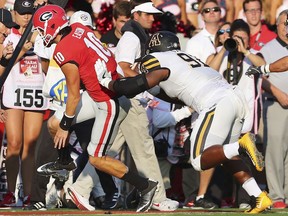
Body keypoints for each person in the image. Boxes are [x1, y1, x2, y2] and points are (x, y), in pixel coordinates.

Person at [95, 30, 273, 214]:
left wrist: (108, 82)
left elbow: (134, 86)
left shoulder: (156, 58)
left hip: (216, 102)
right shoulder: (185, 58)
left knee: (198, 159)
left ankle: (241, 145)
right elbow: (176, 94)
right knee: (224, 155)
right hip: (235, 98)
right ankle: (259, 196)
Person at [32, 4, 158, 213]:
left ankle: (146, 186)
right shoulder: (78, 30)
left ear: (51, 26)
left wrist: (66, 126)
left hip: (107, 101)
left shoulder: (64, 49)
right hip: (97, 93)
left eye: (40, 29)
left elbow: (73, 96)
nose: (39, 33)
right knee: (53, 123)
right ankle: (64, 163)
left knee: (95, 158)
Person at [114, 0, 179, 211]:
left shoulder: (135, 35)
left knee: (107, 150)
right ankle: (158, 197)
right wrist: (145, 84)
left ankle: (79, 188)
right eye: (148, 15)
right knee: (144, 151)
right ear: (136, 15)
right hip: (131, 99)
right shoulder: (132, 36)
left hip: (125, 98)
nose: (153, 18)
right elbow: (122, 68)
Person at [0, 0, 49, 207]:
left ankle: (28, 194)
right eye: (22, 13)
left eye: (29, 13)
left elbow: (47, 65)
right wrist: (21, 50)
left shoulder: (42, 36)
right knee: (14, 143)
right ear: (14, 14)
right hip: (13, 93)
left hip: (36, 92)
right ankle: (10, 192)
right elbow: (3, 66)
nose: (26, 17)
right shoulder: (6, 36)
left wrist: (39, 45)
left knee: (30, 147)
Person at [246, 9, 288, 209]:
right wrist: (278, 94)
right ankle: (277, 195)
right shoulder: (268, 48)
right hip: (276, 103)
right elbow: (257, 75)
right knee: (275, 152)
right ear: (277, 25)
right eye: (284, 23)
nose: (287, 27)